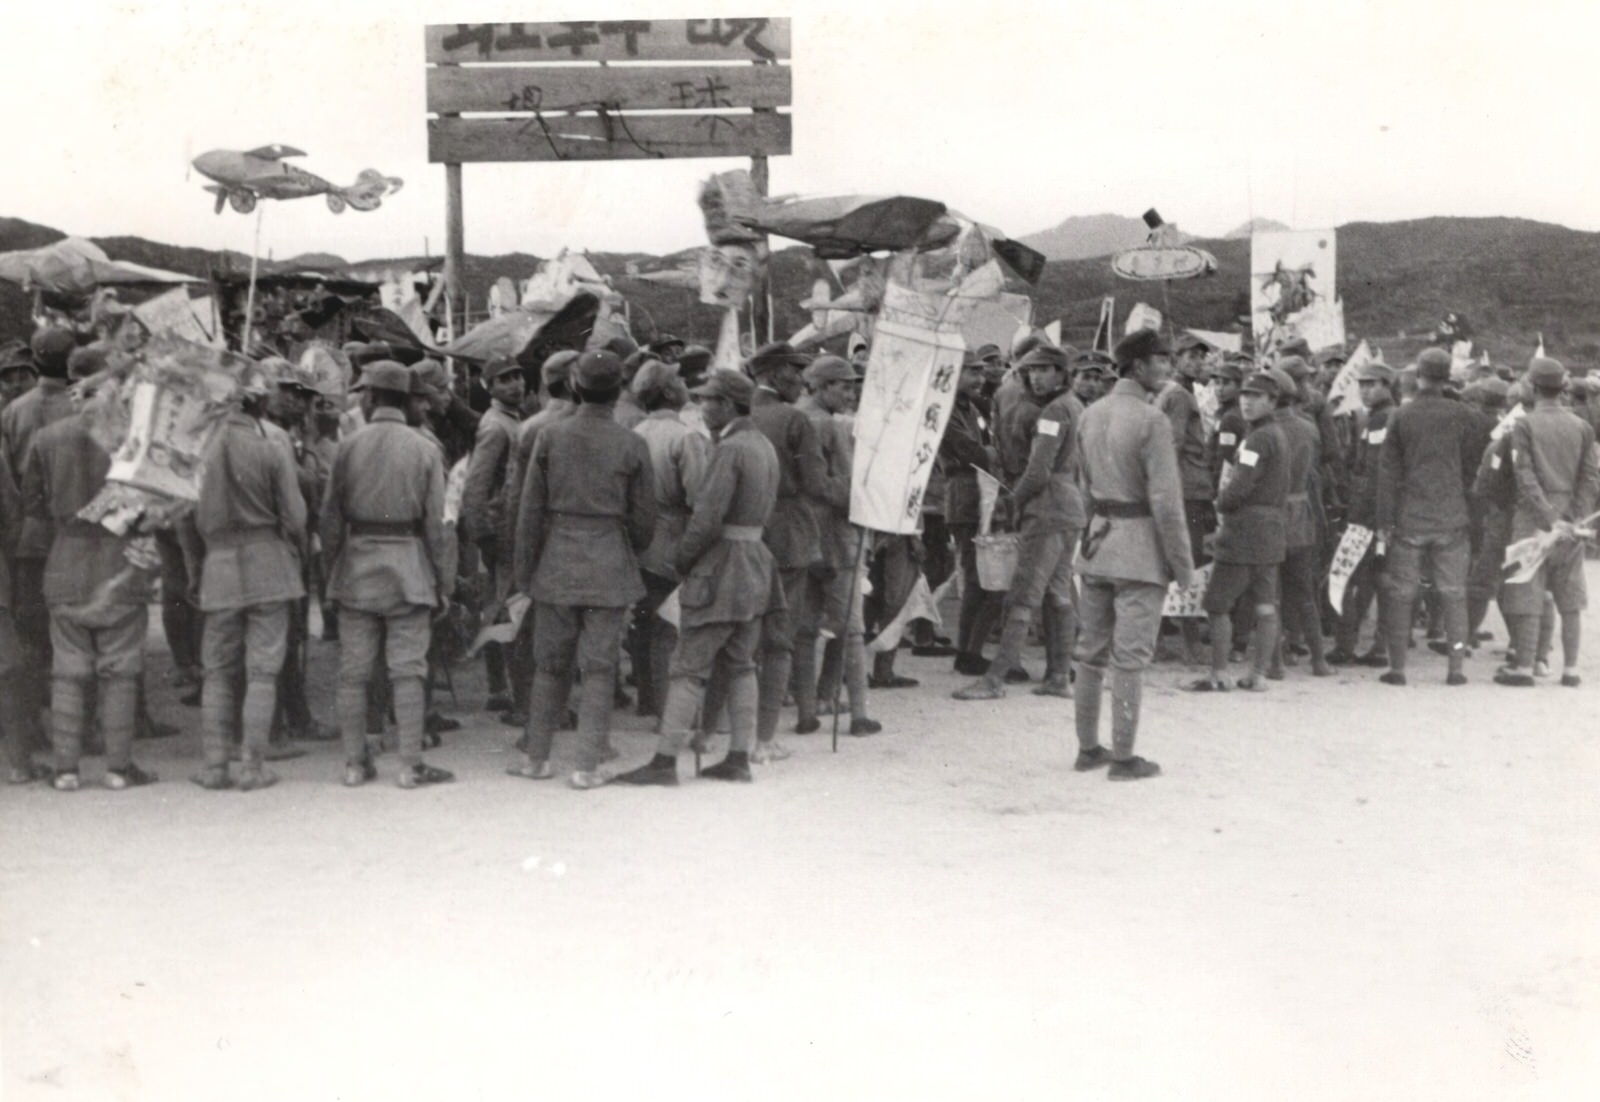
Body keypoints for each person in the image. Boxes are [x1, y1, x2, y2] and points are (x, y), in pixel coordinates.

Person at [614, 369, 783, 786]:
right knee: (743, 663)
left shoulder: (729, 450)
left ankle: (664, 760)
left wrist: (684, 561)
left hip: (721, 563)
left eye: (707, 399)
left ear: (727, 404)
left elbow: (706, 518)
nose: (701, 406)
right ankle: (738, 757)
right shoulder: (762, 445)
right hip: (756, 561)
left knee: (688, 665)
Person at [507, 350, 656, 788]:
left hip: (556, 561)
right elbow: (645, 520)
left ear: (575, 386)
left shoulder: (549, 437)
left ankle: (536, 758)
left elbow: (529, 511)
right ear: (619, 391)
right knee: (599, 668)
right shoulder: (633, 443)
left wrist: (524, 572)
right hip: (609, 560)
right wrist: (624, 547)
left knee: (550, 665)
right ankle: (586, 766)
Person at [21, 347, 156, 791]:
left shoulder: (46, 438)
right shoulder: (130, 440)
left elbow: (33, 507)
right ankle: (118, 767)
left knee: (68, 667)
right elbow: (145, 510)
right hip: (118, 560)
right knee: (119, 667)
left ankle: (65, 769)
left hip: (65, 560)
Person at [320, 361, 455, 788]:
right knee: (408, 669)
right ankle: (410, 764)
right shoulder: (425, 448)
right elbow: (437, 525)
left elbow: (329, 519)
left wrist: (330, 572)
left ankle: (354, 764)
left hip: (356, 567)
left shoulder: (347, 446)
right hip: (409, 568)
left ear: (373, 397)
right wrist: (443, 581)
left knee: (354, 671)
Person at [1072, 329, 1193, 781]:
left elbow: (1084, 486)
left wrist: (1087, 537)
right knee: (1129, 660)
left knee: (1089, 654)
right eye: (1161, 359)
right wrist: (1182, 565)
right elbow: (1165, 499)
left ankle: (1088, 749)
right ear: (1138, 366)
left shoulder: (1091, 414)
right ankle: (1123, 758)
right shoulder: (1151, 419)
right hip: (1140, 549)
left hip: (1098, 543)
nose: (1167, 366)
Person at [190, 363, 309, 791]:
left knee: (217, 670)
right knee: (262, 670)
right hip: (268, 564)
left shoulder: (198, 450)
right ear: (260, 402)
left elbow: (187, 521)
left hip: (218, 565)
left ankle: (215, 765)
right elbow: (296, 517)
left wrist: (194, 566)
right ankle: (253, 766)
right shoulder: (272, 449)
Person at [954, 343, 1085, 700]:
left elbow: (1038, 470)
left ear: (1061, 373)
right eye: (1031, 370)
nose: (1036, 377)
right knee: (1058, 594)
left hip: (1045, 508)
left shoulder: (1053, 412)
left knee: (1022, 596)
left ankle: (994, 679)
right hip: (1070, 506)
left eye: (1045, 369)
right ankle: (1059, 675)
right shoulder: (1073, 405)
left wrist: (1014, 502)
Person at [745, 341, 840, 762]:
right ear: (774, 373)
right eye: (795, 371)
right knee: (783, 635)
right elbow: (818, 485)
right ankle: (768, 734)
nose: (801, 379)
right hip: (788, 531)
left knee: (744, 630)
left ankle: (730, 727)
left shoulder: (737, 413)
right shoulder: (793, 419)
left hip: (745, 531)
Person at [1374, 347, 1484, 687]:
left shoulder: (1401, 416)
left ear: (1418, 376)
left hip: (1410, 517)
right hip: (1452, 516)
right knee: (1454, 594)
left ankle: (1398, 669)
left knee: (1401, 594)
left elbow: (1388, 474)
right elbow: (1472, 471)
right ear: (1447, 377)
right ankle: (1456, 669)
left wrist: (1384, 522)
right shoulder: (1464, 415)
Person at [1494, 357, 1600, 687]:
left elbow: (1524, 475)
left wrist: (1549, 516)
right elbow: (1590, 476)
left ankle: (1525, 666)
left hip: (1533, 518)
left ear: (1535, 387)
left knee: (1528, 588)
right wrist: (1573, 517)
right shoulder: (1581, 426)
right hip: (1572, 518)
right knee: (1570, 596)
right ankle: (1570, 669)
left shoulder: (1524, 425)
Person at [1184, 370, 1289, 692]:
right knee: (1265, 603)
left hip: (1244, 530)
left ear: (1272, 401)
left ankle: (1219, 673)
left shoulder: (1256, 438)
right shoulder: (1275, 434)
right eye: (1244, 395)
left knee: (1217, 603)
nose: (1247, 401)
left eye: (1256, 396)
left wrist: (1221, 502)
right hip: (1271, 529)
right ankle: (1257, 675)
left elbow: (1240, 486)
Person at [1, 327, 77, 756]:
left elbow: (9, 479)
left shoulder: (13, 413)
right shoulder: (83, 409)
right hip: (74, 533)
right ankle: (83, 729)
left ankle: (30, 728)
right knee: (78, 633)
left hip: (29, 538)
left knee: (32, 638)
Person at [795, 354, 880, 735]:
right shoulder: (828, 426)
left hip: (801, 533)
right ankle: (860, 714)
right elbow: (845, 484)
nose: (850, 393)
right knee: (851, 626)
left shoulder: (793, 417)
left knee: (806, 625)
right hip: (834, 535)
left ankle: (807, 711)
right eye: (844, 386)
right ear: (823, 386)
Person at [497, 350, 580, 727]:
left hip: (537, 538)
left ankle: (529, 705)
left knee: (528, 625)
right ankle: (557, 706)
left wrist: (515, 547)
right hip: (576, 542)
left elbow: (517, 495)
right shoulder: (585, 422)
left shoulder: (531, 427)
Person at [628, 360, 709, 718]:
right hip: (674, 539)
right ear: (667, 391)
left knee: (644, 623)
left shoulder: (635, 432)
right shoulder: (685, 437)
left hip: (638, 540)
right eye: (677, 377)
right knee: (668, 627)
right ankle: (667, 709)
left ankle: (648, 698)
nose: (684, 382)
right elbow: (699, 497)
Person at [462, 355, 526, 715]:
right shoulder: (495, 426)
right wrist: (484, 532)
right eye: (504, 379)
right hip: (500, 531)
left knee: (501, 608)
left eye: (517, 376)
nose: (515, 384)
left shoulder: (512, 420)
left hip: (507, 528)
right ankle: (505, 689)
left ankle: (501, 687)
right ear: (489, 387)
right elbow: (477, 485)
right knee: (505, 610)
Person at [1329, 360, 1398, 666]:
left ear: (1387, 386)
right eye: (1363, 385)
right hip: (1372, 512)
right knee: (1371, 579)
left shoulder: (1383, 420)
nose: (1365, 391)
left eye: (1373, 385)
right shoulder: (1376, 418)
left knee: (1356, 577)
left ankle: (1354, 645)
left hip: (1370, 514)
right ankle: (1371, 644)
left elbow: (1376, 471)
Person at [940, 349, 1004, 676]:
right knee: (977, 577)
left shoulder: (971, 407)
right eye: (971, 372)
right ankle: (966, 650)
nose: (979, 378)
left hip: (977, 491)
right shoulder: (947, 408)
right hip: (965, 493)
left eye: (980, 372)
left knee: (982, 577)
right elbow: (969, 449)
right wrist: (991, 453)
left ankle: (968, 649)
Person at [1269, 366, 1333, 678]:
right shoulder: (1308, 428)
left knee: (1271, 592)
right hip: (1303, 515)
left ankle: (1276, 663)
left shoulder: (1260, 431)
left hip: (1271, 516)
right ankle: (1318, 660)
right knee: (1305, 592)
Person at [1157, 338, 1214, 663]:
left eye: (1201, 357)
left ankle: (1163, 639)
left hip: (1189, 487)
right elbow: (1174, 443)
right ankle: (1190, 644)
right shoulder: (1179, 395)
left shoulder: (1180, 391)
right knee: (1187, 562)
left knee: (1177, 560)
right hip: (1187, 489)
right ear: (1176, 358)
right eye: (1191, 356)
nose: (1197, 362)